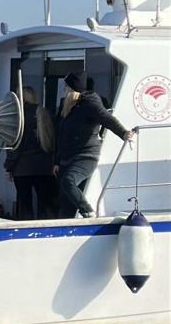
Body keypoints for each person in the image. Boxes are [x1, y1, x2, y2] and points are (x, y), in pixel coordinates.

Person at [53, 71, 134, 218]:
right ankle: (65, 226)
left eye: (66, 87)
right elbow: (61, 135)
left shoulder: (90, 102)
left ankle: (88, 211)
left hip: (85, 156)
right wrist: (57, 161)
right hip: (67, 158)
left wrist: (123, 133)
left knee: (68, 181)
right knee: (65, 199)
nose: (64, 89)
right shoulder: (67, 106)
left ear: (73, 88)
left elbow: (106, 118)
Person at [3, 86, 57, 220]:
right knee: (46, 205)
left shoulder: (18, 118)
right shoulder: (44, 113)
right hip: (45, 167)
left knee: (25, 205)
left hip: (22, 168)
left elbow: (15, 146)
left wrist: (9, 167)